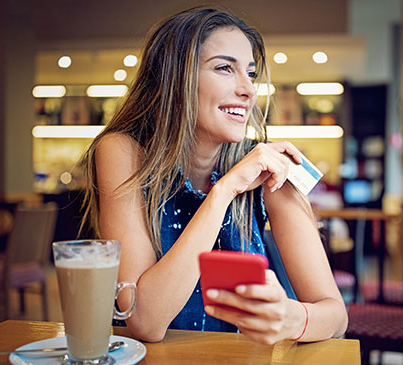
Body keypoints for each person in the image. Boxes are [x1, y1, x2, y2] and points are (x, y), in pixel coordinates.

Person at [80, 6, 347, 345]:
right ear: (173, 78)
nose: (248, 90)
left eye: (250, 73)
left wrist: (294, 318)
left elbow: (337, 316)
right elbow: (144, 320)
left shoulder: (272, 167)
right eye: (224, 68)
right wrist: (224, 190)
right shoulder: (123, 151)